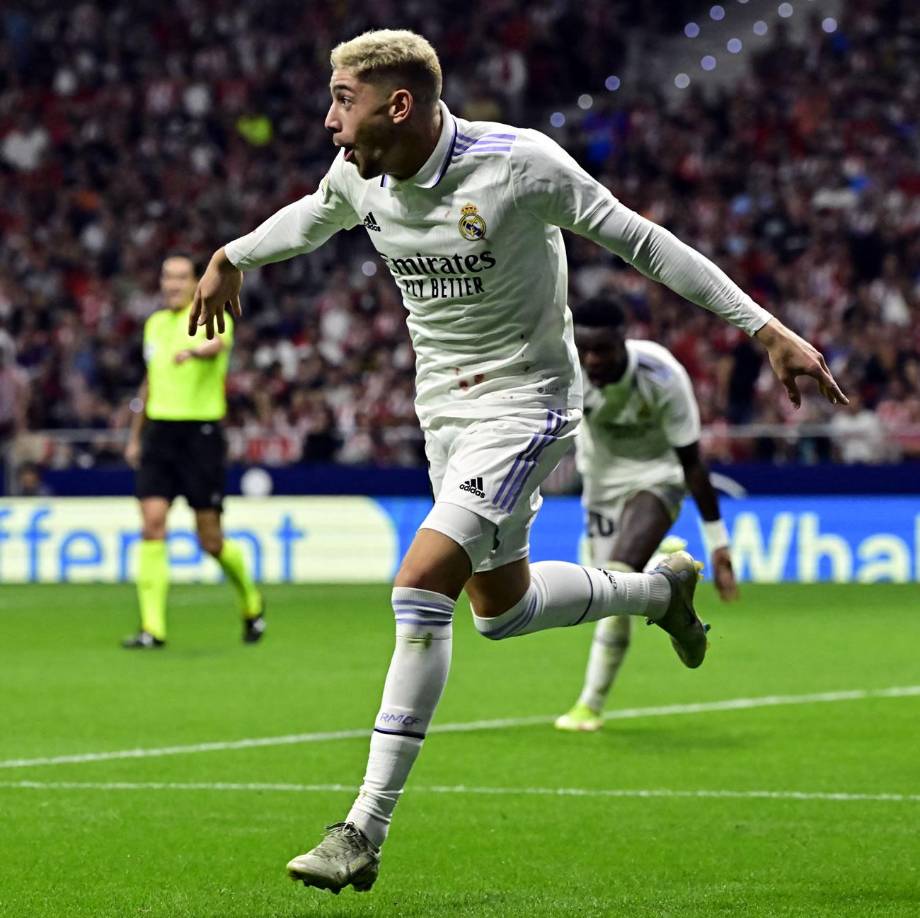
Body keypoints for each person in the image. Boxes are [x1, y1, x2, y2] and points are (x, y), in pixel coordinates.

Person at [190, 30, 846, 893]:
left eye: (342, 99)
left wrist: (765, 328)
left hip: (527, 402)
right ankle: (658, 592)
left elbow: (643, 242)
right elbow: (312, 216)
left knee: (420, 585)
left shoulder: (519, 163)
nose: (327, 120)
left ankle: (361, 830)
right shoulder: (361, 176)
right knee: (499, 611)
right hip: (445, 418)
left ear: (398, 104)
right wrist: (232, 253)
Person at [555, 295, 739, 733]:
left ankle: (589, 702)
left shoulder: (662, 375)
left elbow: (693, 463)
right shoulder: (570, 373)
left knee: (618, 569)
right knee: (609, 598)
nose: (594, 360)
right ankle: (668, 593)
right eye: (586, 350)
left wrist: (720, 545)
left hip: (659, 476)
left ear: (625, 340)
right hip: (600, 486)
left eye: (604, 349)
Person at [122, 255, 265, 649]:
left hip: (200, 435)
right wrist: (135, 436)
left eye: (181, 278)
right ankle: (153, 629)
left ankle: (251, 601)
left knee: (211, 541)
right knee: (152, 524)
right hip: (159, 434)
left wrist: (194, 352)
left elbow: (217, 345)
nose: (172, 285)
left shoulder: (213, 315)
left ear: (194, 282)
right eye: (167, 277)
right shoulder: (154, 324)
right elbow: (150, 382)